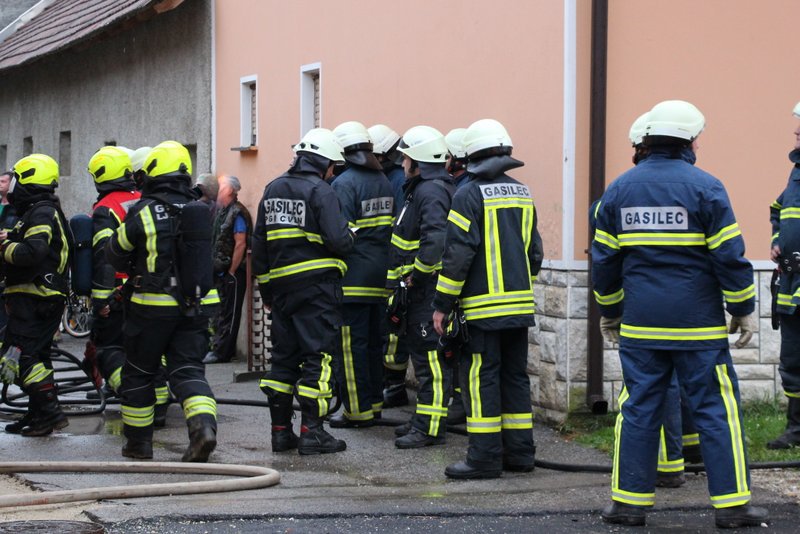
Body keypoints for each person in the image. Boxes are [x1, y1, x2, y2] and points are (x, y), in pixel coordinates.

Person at [592, 100, 768, 528]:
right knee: (715, 409)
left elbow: (605, 263)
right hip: (698, 326)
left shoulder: (618, 190)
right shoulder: (706, 187)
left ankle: (629, 504)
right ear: (690, 140)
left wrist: (610, 312)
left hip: (641, 325)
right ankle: (732, 507)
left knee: (638, 408)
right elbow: (730, 256)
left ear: (647, 140)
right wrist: (742, 306)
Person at [431, 119, 541, 478]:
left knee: (481, 379)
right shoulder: (523, 192)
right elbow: (535, 254)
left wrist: (442, 305)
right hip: (520, 308)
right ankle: (520, 455)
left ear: (470, 156)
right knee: (515, 377)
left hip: (482, 310)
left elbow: (458, 255)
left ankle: (484, 458)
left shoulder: (467, 194)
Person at [107, 140, 220, 462]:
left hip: (151, 306)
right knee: (188, 370)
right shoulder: (201, 210)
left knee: (139, 373)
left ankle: (138, 444)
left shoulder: (143, 211)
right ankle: (203, 429)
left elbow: (116, 251)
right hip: (197, 305)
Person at [252, 128, 355, 455]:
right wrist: (351, 236)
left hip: (282, 292)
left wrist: (267, 290)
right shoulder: (320, 191)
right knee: (317, 356)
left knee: (283, 359)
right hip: (316, 291)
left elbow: (260, 244)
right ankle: (313, 432)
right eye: (333, 166)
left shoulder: (272, 189)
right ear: (324, 162)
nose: (332, 172)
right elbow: (338, 241)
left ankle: (281, 433)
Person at [388, 125, 455, 449]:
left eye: (406, 158)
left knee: (431, 364)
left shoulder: (430, 191)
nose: (402, 163)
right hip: (417, 292)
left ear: (418, 161)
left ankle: (430, 427)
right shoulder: (423, 189)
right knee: (422, 358)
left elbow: (435, 240)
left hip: (426, 290)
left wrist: (417, 274)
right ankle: (422, 420)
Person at [328, 121, 394, 427]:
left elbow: (341, 236)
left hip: (353, 277)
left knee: (351, 348)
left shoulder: (343, 185)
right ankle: (375, 403)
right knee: (372, 345)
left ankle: (356, 411)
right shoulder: (381, 178)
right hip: (380, 275)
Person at [0, 154, 71, 436]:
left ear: (30, 178)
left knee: (18, 357)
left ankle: (52, 412)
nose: (11, 186)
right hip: (35, 298)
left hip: (37, 298)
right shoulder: (37, 211)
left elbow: (34, 252)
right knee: (38, 357)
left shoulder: (41, 212)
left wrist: (4, 249)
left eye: (16, 179)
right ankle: (38, 416)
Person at [87, 146, 141, 400]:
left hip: (117, 294)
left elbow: (104, 257)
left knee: (109, 350)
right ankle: (153, 392)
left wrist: (101, 300)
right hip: (147, 289)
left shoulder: (106, 208)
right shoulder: (145, 199)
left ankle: (128, 392)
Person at [368, 124, 411, 409]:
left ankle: (394, 385)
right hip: (387, 263)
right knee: (389, 328)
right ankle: (389, 383)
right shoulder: (391, 178)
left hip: (393, 265)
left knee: (394, 329)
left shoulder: (394, 181)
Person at [767, 101, 800, 450]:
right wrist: (777, 241)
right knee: (793, 359)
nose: (795, 136)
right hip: (792, 285)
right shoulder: (796, 173)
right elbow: (779, 208)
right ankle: (796, 428)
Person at [442, 127, 472, 427]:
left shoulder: (463, 191)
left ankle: (460, 403)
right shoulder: (461, 186)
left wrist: (444, 298)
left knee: (459, 347)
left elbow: (457, 248)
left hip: (466, 290)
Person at [204, 175, 252, 364]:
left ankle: (223, 351)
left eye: (222, 187)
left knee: (230, 312)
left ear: (231, 190)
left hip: (233, 272)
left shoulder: (238, 212)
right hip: (220, 270)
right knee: (220, 310)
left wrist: (232, 271)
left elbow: (240, 243)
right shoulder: (222, 211)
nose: (219, 190)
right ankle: (216, 347)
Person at [0, 170, 19, 332]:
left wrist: (9, 234)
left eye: (3, 181)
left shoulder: (17, 207)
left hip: (9, 259)